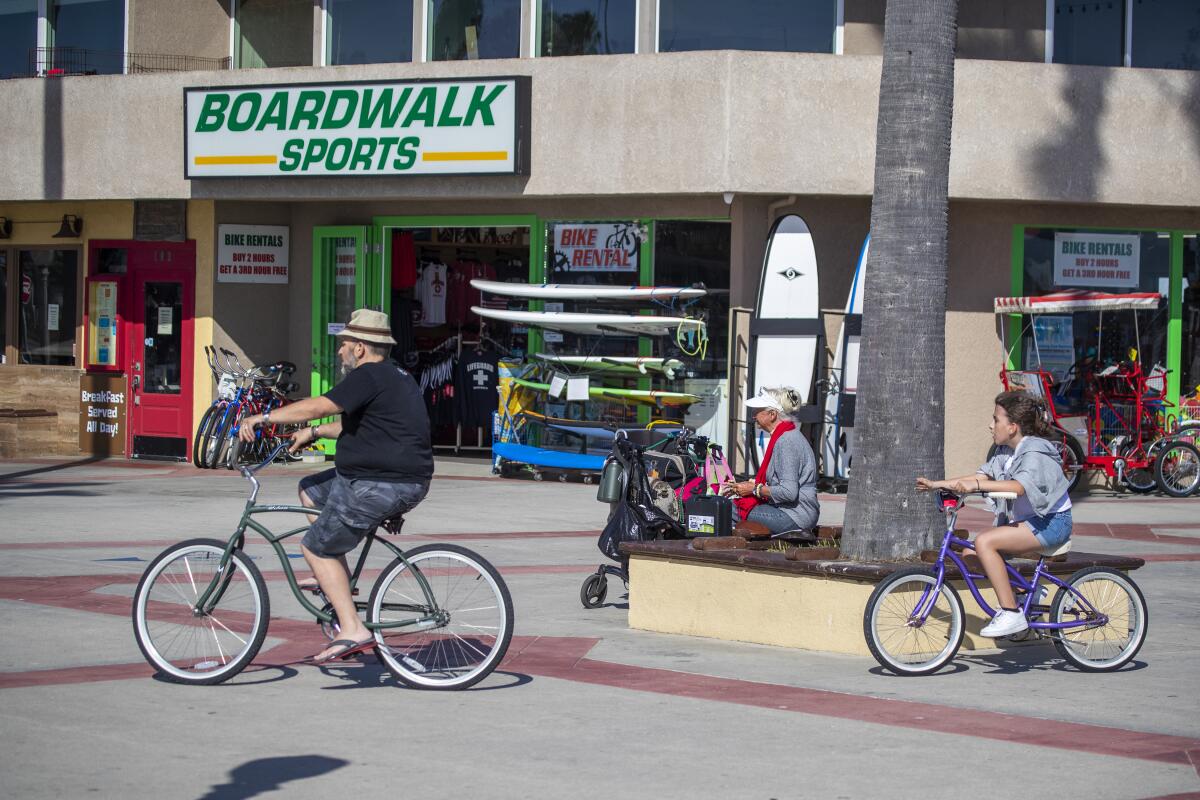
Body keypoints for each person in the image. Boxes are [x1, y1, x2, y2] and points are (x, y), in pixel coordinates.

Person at [238, 308, 433, 664]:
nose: (339, 351)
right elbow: (359, 428)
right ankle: (336, 581)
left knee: (315, 548)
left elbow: (317, 406)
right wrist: (311, 434)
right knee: (311, 490)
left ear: (360, 348)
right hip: (394, 479)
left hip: (378, 484)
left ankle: (352, 627)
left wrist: (263, 417)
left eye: (344, 344)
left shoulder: (368, 375)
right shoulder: (395, 376)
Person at [916, 390, 1072, 638]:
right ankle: (1023, 595)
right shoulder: (1005, 452)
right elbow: (981, 477)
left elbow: (1019, 487)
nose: (991, 425)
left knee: (984, 541)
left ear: (1012, 427)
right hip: (1030, 523)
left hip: (1052, 523)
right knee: (970, 554)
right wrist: (938, 484)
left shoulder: (1034, 452)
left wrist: (976, 487)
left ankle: (1011, 612)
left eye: (996, 419)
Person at [721, 387, 820, 534]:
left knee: (725, 508)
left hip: (794, 516)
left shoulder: (786, 441)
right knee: (729, 506)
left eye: (757, 411)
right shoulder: (787, 436)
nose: (754, 416)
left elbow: (789, 492)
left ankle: (731, 550)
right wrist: (750, 486)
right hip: (796, 513)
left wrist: (754, 489)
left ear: (772, 414)